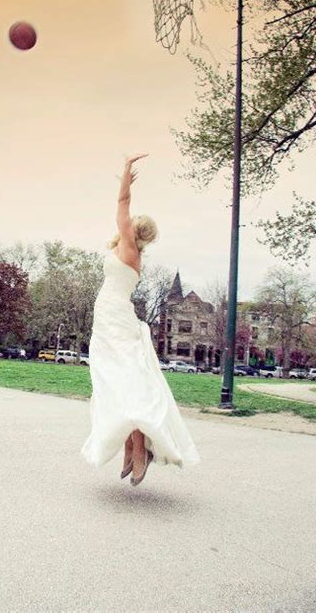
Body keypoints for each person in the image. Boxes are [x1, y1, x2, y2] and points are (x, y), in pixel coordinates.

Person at [81, 155, 199, 485]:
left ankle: (138, 448)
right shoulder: (126, 253)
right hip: (107, 320)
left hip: (116, 319)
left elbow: (121, 203)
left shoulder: (129, 249)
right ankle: (132, 444)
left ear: (135, 231)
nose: (124, 224)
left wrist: (125, 176)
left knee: (124, 383)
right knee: (113, 383)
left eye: (130, 224)